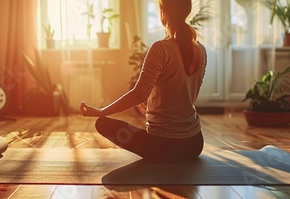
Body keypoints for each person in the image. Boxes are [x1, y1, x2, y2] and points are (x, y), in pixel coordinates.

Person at [80, 0, 207, 163]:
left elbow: (138, 94)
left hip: (164, 145)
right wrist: (153, 101)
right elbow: (185, 93)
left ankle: (159, 153)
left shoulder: (161, 48)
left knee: (102, 123)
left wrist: (101, 111)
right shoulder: (201, 50)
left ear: (163, 11)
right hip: (194, 143)